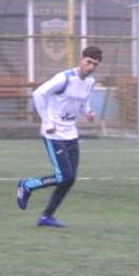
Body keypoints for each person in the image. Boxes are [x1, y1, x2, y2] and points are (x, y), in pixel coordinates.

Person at [16, 46, 102, 228]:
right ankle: (28, 185)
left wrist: (88, 112)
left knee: (69, 179)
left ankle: (46, 217)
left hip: (71, 134)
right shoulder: (64, 78)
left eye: (95, 64)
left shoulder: (90, 82)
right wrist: (47, 122)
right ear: (81, 59)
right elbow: (38, 94)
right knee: (64, 175)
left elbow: (83, 102)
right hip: (54, 134)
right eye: (88, 62)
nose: (91, 67)